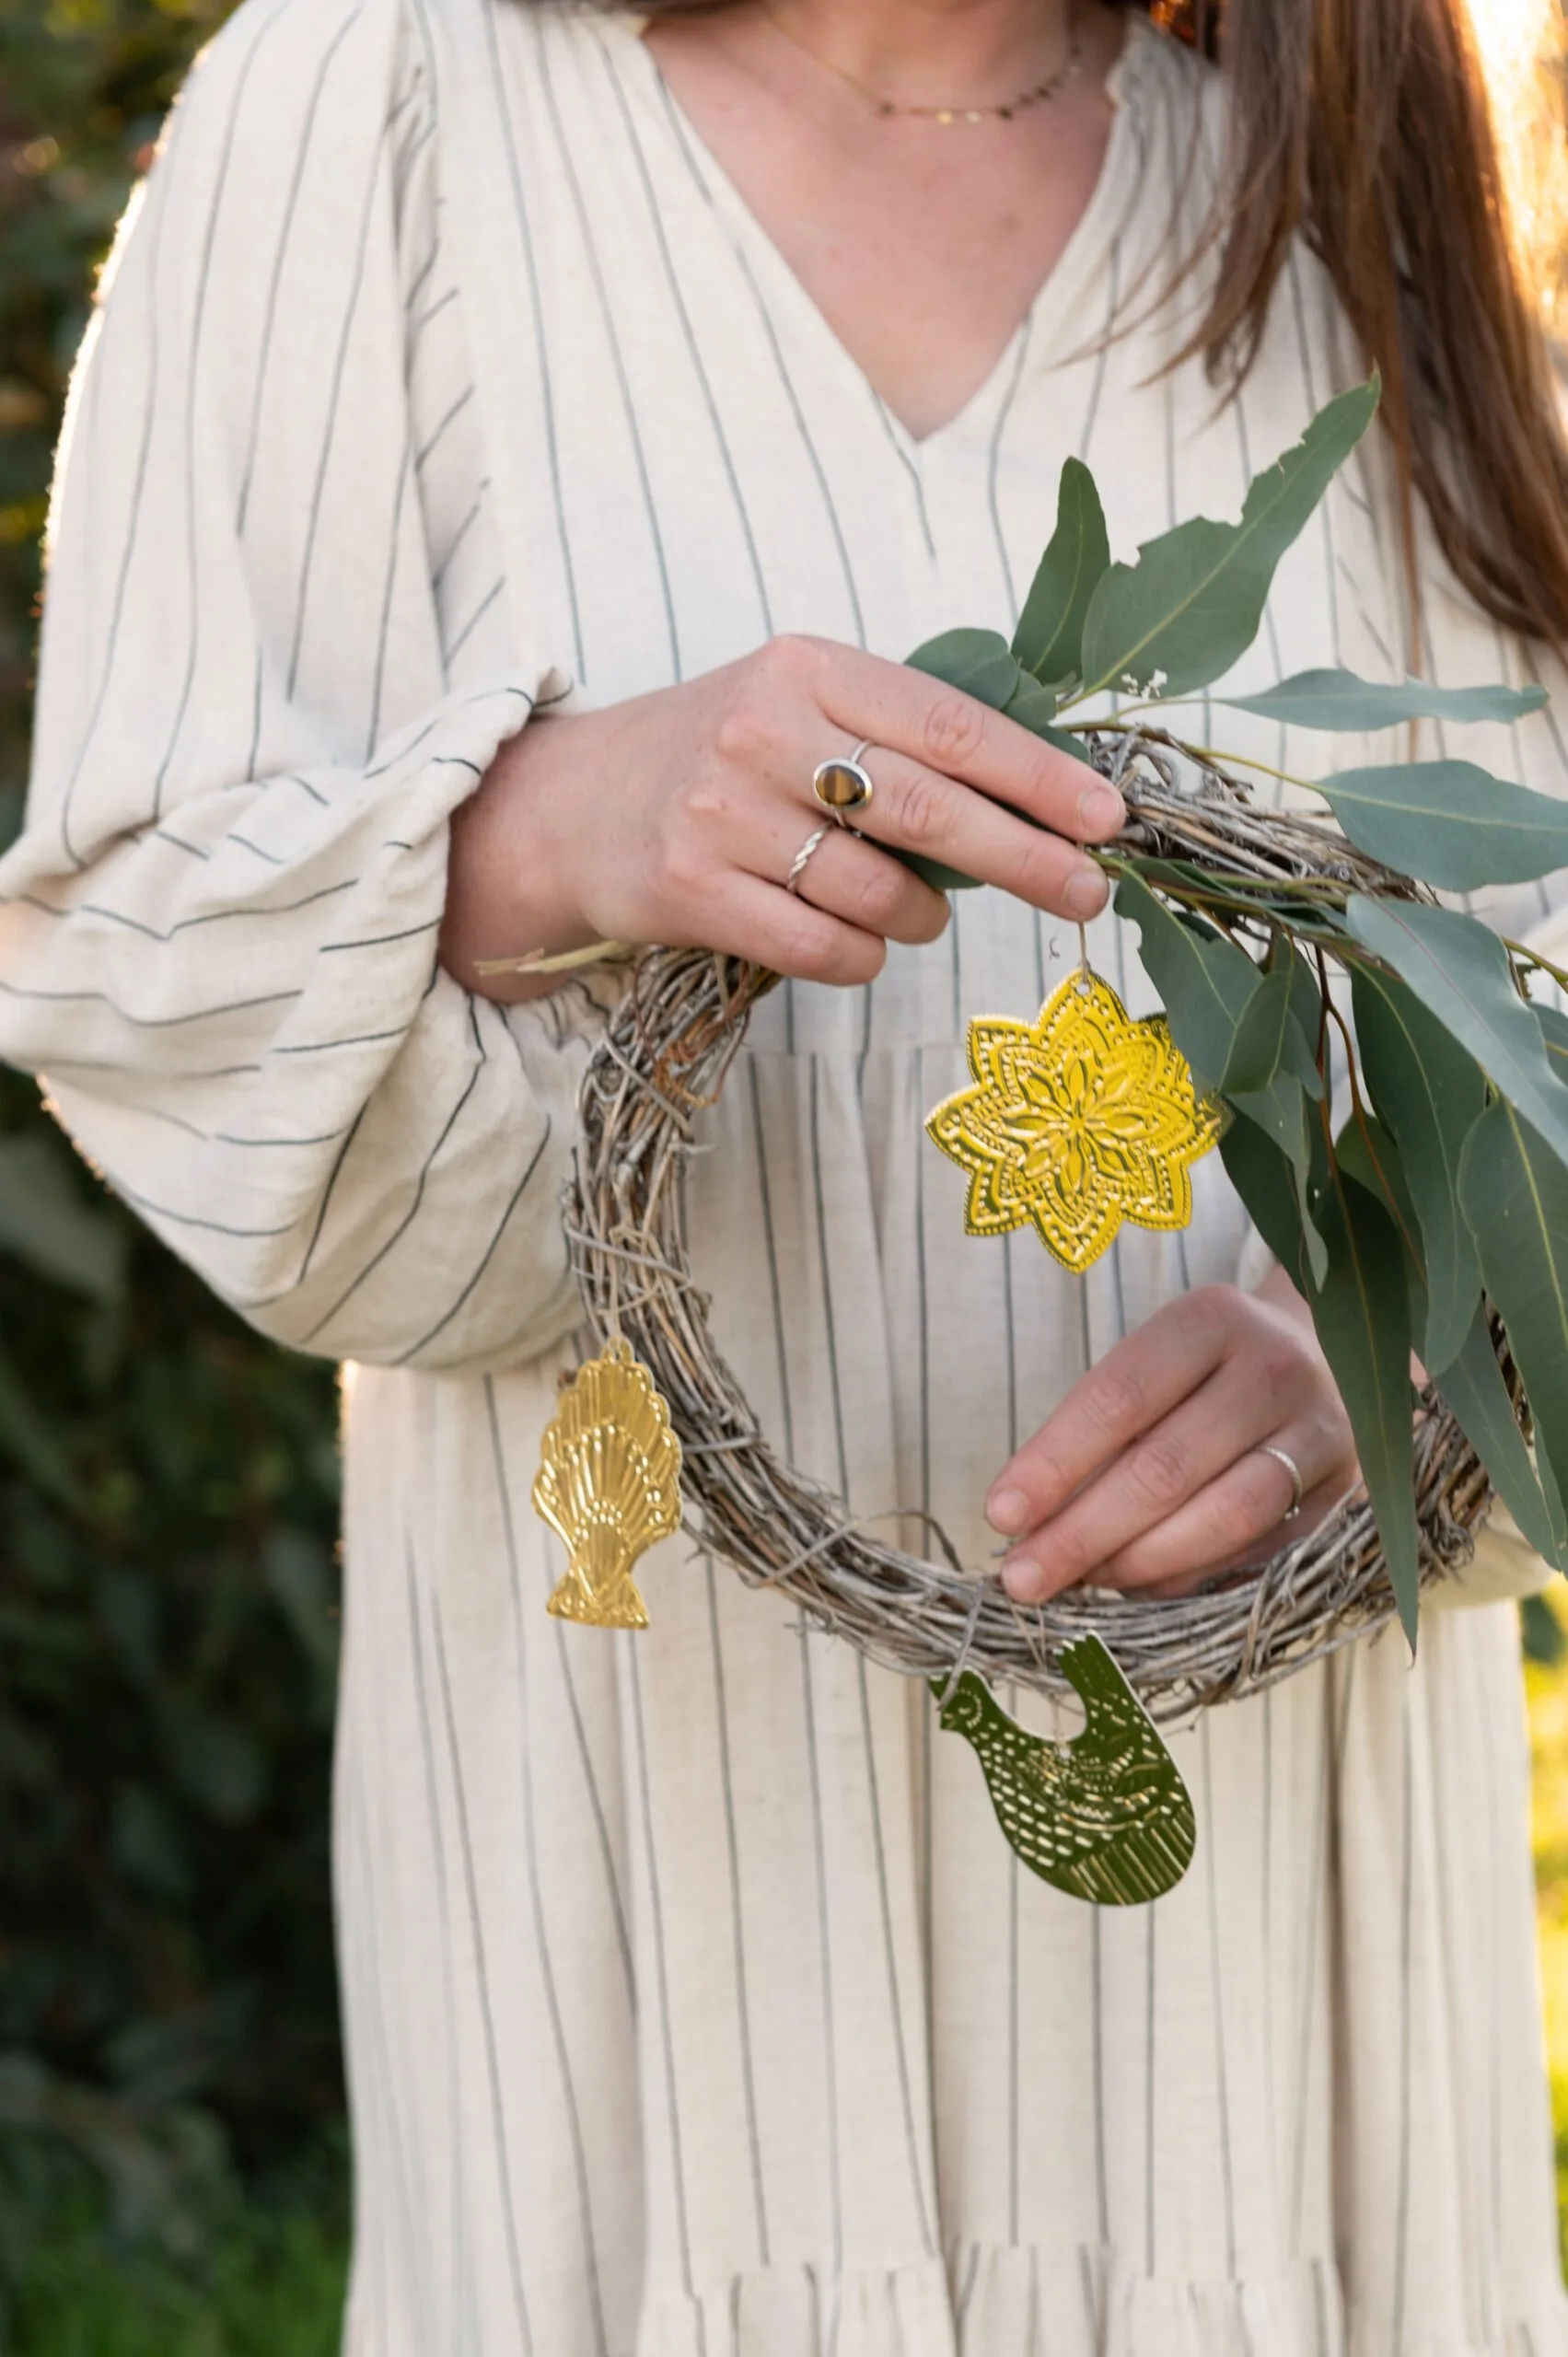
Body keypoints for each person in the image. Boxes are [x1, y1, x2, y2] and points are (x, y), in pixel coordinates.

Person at [3, 0, 1567, 2343]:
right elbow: (136, 959)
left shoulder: (1366, 192)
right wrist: (546, 827)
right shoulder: (372, 104)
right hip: (655, 1939)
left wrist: (1407, 1337)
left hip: (1272, 1967)